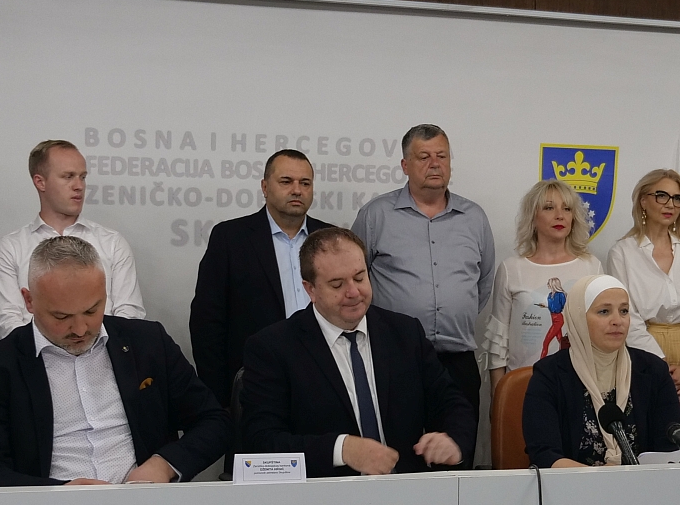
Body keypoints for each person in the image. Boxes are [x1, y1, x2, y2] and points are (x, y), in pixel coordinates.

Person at [0, 236, 230, 487]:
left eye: (91, 311)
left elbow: (214, 422)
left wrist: (164, 465)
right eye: (61, 317)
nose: (80, 329)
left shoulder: (147, 343)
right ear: (29, 300)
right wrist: (59, 492)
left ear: (105, 294)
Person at [239, 227, 475, 477]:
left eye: (360, 278)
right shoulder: (273, 348)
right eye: (337, 284)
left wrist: (453, 440)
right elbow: (261, 441)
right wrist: (340, 449)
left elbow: (452, 403)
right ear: (310, 290)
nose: (353, 292)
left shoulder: (405, 333)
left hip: (405, 489)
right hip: (324, 494)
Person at [352, 125, 496, 443]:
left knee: (456, 451)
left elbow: (483, 283)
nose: (435, 164)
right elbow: (355, 280)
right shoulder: (376, 215)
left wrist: (453, 309)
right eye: (424, 156)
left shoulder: (474, 217)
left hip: (457, 361)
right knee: (397, 453)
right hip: (393, 360)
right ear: (405, 165)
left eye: (442, 156)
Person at [189, 149, 334, 406]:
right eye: (286, 181)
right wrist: (219, 400)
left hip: (324, 377)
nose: (297, 190)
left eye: (305, 183)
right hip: (255, 381)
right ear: (265, 187)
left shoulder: (331, 239)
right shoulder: (230, 238)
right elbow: (207, 323)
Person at [0, 139, 146, 339]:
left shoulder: (112, 243)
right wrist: (52, 350)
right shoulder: (11, 248)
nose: (79, 186)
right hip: (37, 356)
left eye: (83, 177)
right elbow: (7, 322)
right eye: (68, 176)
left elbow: (130, 315)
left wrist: (91, 347)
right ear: (40, 182)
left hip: (105, 353)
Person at [523, 275, 680, 468]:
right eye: (604, 311)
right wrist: (603, 480)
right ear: (579, 317)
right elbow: (544, 454)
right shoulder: (549, 374)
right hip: (572, 485)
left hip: (644, 485)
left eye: (624, 311)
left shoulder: (653, 370)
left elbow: (669, 448)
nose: (617, 321)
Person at [606, 169, 680, 433]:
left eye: (678, 198)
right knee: (646, 436)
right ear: (643, 200)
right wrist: (663, 369)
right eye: (662, 195)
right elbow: (627, 316)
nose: (670, 204)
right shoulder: (623, 252)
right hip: (643, 352)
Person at [484, 179, 603, 386]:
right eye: (549, 207)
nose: (559, 215)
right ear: (533, 216)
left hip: (578, 384)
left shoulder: (591, 266)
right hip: (523, 384)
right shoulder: (511, 269)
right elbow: (498, 341)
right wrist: (499, 393)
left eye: (567, 208)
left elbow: (601, 333)